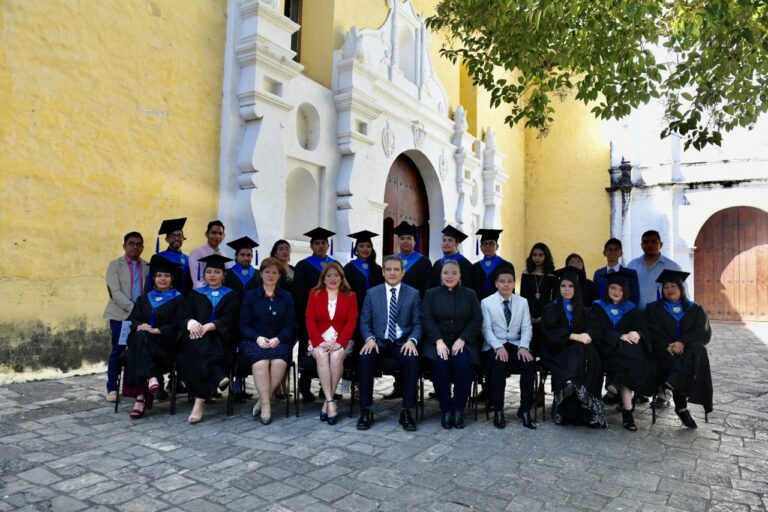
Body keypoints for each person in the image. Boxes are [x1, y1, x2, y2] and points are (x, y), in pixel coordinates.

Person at [357, 255, 422, 431]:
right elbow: (364, 321)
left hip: (402, 342)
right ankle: (366, 410)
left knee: (412, 360)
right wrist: (369, 338)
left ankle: (407, 411)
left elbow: (417, 323)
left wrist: (412, 340)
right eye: (389, 269)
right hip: (378, 341)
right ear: (383, 272)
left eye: (396, 269)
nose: (392, 272)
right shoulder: (372, 293)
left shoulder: (413, 293)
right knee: (364, 358)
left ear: (403, 272)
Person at [589, 269, 656, 431]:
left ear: (625, 291)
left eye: (620, 289)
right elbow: (596, 331)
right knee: (629, 359)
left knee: (630, 354)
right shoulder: (597, 306)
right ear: (607, 289)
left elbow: (642, 329)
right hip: (603, 352)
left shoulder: (632, 309)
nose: (616, 292)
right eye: (612, 288)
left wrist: (637, 333)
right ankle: (628, 414)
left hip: (624, 356)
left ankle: (616, 382)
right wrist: (619, 336)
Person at [645, 270, 713, 429]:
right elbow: (650, 332)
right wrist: (667, 346)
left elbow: (703, 333)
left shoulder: (695, 309)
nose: (669, 289)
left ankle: (673, 385)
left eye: (673, 285)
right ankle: (681, 407)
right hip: (663, 354)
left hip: (686, 352)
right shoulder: (653, 309)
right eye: (666, 286)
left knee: (698, 349)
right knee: (684, 363)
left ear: (681, 288)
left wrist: (682, 343)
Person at [176, 254, 238, 423]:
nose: (212, 275)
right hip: (196, 338)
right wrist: (192, 323)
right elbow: (184, 315)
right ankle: (218, 374)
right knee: (198, 344)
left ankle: (199, 401)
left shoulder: (232, 295)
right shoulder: (195, 294)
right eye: (209, 271)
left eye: (217, 271)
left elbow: (230, 318)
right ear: (203, 275)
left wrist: (209, 327)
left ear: (223, 275)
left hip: (221, 339)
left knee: (202, 345)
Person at [421, 259, 483, 429]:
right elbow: (426, 318)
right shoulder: (431, 294)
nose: (449, 276)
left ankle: (458, 410)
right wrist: (438, 341)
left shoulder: (470, 294)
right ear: (440, 275)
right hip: (438, 342)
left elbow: (477, 319)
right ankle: (446, 409)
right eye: (446, 272)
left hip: (464, 342)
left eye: (454, 273)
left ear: (460, 275)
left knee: (464, 364)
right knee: (440, 364)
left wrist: (463, 339)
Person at [541, 268, 606, 428]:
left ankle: (574, 399)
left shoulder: (584, 310)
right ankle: (580, 411)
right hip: (558, 353)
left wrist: (584, 337)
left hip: (580, 355)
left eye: (571, 286)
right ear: (559, 288)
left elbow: (594, 330)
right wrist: (574, 336)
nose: (567, 289)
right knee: (578, 350)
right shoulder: (551, 308)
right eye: (563, 286)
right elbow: (549, 333)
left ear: (576, 289)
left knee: (582, 352)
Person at [123, 255, 184, 418]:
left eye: (166, 276)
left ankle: (140, 399)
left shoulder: (179, 299)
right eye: (158, 276)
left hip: (165, 346)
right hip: (145, 343)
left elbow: (180, 323)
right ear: (154, 278)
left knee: (135, 348)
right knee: (141, 336)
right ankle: (150, 379)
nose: (162, 279)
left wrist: (160, 330)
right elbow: (134, 318)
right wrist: (140, 325)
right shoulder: (144, 299)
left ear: (172, 279)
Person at [238, 257, 295, 425]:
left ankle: (262, 400)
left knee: (279, 362)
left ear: (279, 276)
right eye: (267, 272)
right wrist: (257, 338)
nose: (270, 275)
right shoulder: (250, 296)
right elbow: (243, 324)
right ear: (261, 274)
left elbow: (291, 324)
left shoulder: (286, 297)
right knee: (261, 362)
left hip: (280, 340)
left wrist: (279, 339)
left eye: (274, 272)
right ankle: (266, 405)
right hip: (253, 340)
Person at [481, 266, 536, 429]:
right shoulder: (486, 302)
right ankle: (498, 410)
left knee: (529, 364)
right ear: (496, 284)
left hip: (516, 344)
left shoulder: (522, 302)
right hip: (494, 344)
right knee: (498, 364)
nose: (506, 285)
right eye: (502, 282)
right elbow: (486, 329)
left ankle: (525, 410)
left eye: (509, 282)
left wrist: (524, 347)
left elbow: (527, 327)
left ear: (514, 284)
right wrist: (498, 346)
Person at [305, 262, 358, 425]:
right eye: (329, 275)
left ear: (341, 278)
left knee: (335, 358)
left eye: (336, 275)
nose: (333, 278)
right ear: (324, 278)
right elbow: (309, 320)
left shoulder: (350, 295)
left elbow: (352, 321)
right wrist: (320, 342)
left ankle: (326, 403)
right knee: (321, 356)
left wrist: (340, 342)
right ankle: (330, 402)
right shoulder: (314, 294)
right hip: (318, 340)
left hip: (342, 340)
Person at [292, 227, 339, 403]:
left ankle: (325, 387)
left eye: (323, 243)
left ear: (328, 245)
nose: (320, 246)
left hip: (332, 318)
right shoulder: (303, 266)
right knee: (308, 350)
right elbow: (298, 293)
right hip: (310, 318)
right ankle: (304, 387)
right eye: (317, 243)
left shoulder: (335, 265)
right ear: (311, 245)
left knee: (330, 348)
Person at [387, 221, 432, 400]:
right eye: (402, 238)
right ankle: (398, 386)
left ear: (415, 241)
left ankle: (410, 388)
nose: (405, 241)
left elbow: (426, 289)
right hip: (393, 311)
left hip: (414, 312)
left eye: (409, 238)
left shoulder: (423, 262)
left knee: (411, 350)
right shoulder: (392, 261)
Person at [103, 231, 148, 402]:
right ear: (124, 246)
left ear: (142, 247)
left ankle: (136, 389)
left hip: (140, 318)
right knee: (118, 350)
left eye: (139, 244)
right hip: (120, 316)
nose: (135, 247)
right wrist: (134, 309)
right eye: (131, 243)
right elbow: (114, 292)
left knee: (138, 351)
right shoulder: (115, 265)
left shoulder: (147, 266)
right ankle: (112, 388)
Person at [626, 230, 683, 310]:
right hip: (636, 316)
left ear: (661, 244)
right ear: (641, 245)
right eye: (646, 242)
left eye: (653, 242)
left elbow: (683, 293)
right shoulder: (632, 265)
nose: (650, 245)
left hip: (662, 316)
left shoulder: (672, 267)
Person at [519, 243, 557, 361]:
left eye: (540, 255)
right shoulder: (526, 274)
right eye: (534, 255)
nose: (537, 258)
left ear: (546, 257)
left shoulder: (552, 276)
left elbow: (554, 299)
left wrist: (543, 317)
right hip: (528, 316)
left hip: (545, 316)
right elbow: (522, 297)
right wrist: (528, 316)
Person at [343, 230, 384, 321]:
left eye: (368, 246)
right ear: (356, 249)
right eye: (361, 246)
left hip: (375, 310)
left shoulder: (378, 269)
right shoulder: (348, 268)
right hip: (355, 309)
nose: (365, 249)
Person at [153, 217, 194, 295]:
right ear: (167, 239)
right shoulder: (158, 258)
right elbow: (152, 283)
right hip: (166, 299)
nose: (176, 238)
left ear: (183, 238)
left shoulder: (188, 259)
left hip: (185, 300)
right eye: (173, 235)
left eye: (179, 235)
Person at [593, 238, 640, 305]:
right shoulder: (598, 274)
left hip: (624, 312)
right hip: (602, 312)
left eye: (616, 249)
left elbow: (634, 298)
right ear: (604, 253)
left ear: (621, 253)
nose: (613, 252)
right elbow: (595, 296)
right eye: (610, 249)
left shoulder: (630, 274)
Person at [472, 229, 514, 301]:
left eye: (491, 243)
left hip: (500, 306)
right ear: (481, 247)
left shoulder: (506, 266)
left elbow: (510, 290)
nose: (488, 246)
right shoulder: (475, 267)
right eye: (485, 244)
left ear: (497, 246)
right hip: (479, 306)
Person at [430, 225, 474, 289]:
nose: (446, 243)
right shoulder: (438, 263)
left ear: (456, 243)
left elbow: (468, 288)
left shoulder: (465, 264)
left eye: (450, 240)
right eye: (444, 240)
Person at [189, 220, 227, 289]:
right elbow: (198, 282)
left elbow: (224, 279)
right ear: (206, 234)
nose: (217, 236)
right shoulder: (197, 253)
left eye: (220, 233)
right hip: (201, 296)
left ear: (223, 236)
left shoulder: (223, 256)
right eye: (214, 233)